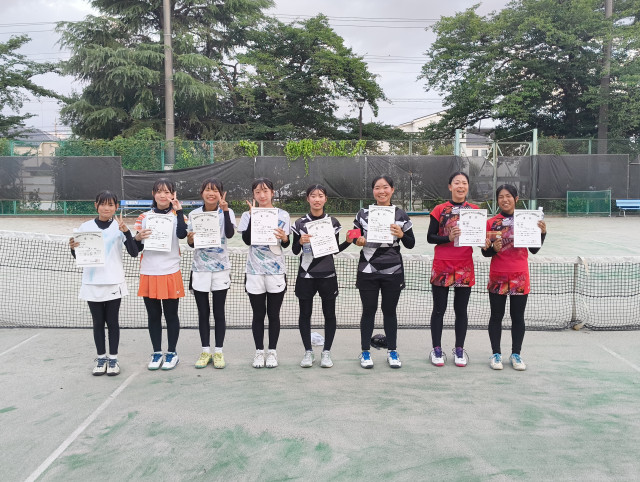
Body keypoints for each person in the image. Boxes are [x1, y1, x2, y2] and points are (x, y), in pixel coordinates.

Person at [69, 190, 138, 376]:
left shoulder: (119, 227)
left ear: (116, 207)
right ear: (96, 205)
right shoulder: (85, 227)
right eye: (102, 204)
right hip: (92, 282)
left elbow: (134, 252)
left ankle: (113, 359)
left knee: (112, 322)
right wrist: (73, 248)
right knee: (98, 322)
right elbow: (80, 256)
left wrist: (127, 232)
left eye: (110, 205)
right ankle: (101, 358)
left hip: (114, 282)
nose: (106, 208)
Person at [481, 184, 547, 371]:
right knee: (496, 316)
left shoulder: (528, 220)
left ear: (516, 199)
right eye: (501, 197)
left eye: (508, 196)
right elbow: (485, 252)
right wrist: (493, 249)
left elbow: (534, 249)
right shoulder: (491, 223)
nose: (505, 200)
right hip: (498, 276)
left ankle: (516, 354)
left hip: (520, 276)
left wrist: (542, 233)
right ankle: (496, 354)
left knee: (518, 317)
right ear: (497, 200)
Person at [427, 172, 489, 367]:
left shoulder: (475, 211)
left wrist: (484, 243)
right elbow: (430, 237)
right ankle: (437, 349)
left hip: (464, 266)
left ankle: (459, 349)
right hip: (442, 265)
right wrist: (448, 238)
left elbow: (479, 239)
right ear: (450, 186)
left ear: (467, 187)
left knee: (461, 310)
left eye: (464, 183)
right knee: (439, 310)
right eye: (457, 183)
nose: (460, 186)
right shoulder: (439, 209)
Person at [353, 175, 415, 369]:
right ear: (373, 191)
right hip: (367, 271)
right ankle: (365, 351)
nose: (382, 191)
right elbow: (354, 236)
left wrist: (401, 234)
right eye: (377, 188)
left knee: (389, 311)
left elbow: (411, 243)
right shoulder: (363, 214)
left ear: (392, 190)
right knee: (368, 311)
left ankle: (392, 351)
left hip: (393, 271)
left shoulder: (401, 214)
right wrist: (358, 240)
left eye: (385, 187)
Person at [291, 184, 352, 368]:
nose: (316, 199)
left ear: (325, 199)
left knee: (329, 314)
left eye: (320, 195)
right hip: (306, 276)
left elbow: (334, 250)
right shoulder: (300, 223)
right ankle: (308, 352)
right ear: (307, 199)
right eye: (313, 195)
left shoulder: (332, 222)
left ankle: (326, 352)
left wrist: (348, 242)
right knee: (305, 314)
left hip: (327, 275)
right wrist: (300, 241)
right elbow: (294, 251)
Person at [134, 178, 188, 371]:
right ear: (153, 194)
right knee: (153, 316)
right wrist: (138, 237)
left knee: (171, 315)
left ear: (173, 195)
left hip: (170, 271)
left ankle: (172, 353)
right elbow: (136, 247)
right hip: (148, 271)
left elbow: (182, 235)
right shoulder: (144, 217)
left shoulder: (178, 216)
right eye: (159, 191)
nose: (163, 195)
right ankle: (157, 352)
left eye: (167, 192)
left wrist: (179, 211)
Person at [237, 178, 290, 368]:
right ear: (253, 194)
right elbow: (246, 240)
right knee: (258, 314)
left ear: (272, 193)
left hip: (276, 271)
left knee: (274, 314)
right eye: (258, 192)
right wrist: (254, 217)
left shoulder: (283, 214)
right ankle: (259, 352)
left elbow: (286, 243)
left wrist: (285, 238)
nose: (262, 195)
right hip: (254, 271)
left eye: (265, 191)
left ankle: (272, 352)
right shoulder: (247, 215)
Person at [187, 178, 235, 369]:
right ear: (202, 193)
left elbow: (230, 234)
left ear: (221, 194)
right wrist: (191, 240)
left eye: (215, 190)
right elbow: (191, 244)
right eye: (208, 189)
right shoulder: (194, 215)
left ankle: (219, 352)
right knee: (203, 312)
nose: (211, 193)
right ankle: (206, 351)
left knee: (219, 311)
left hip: (221, 269)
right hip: (200, 269)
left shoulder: (227, 212)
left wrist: (225, 210)